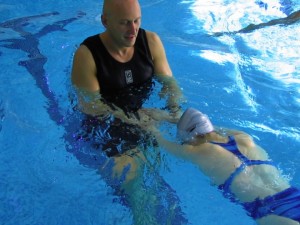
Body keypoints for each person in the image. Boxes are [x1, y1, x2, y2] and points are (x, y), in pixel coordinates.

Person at [70, 0, 185, 224]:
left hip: (141, 116)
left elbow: (170, 84)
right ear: (105, 21)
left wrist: (174, 112)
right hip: (104, 126)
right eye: (124, 23)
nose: (133, 30)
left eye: (136, 21)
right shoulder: (87, 55)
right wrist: (136, 119)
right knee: (134, 180)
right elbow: (91, 107)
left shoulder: (150, 41)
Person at [142, 107, 300, 225]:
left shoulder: (197, 151)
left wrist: (146, 123)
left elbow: (160, 140)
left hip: (267, 211)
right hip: (293, 196)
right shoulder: (244, 137)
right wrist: (172, 118)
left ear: (191, 137)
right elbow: (209, 128)